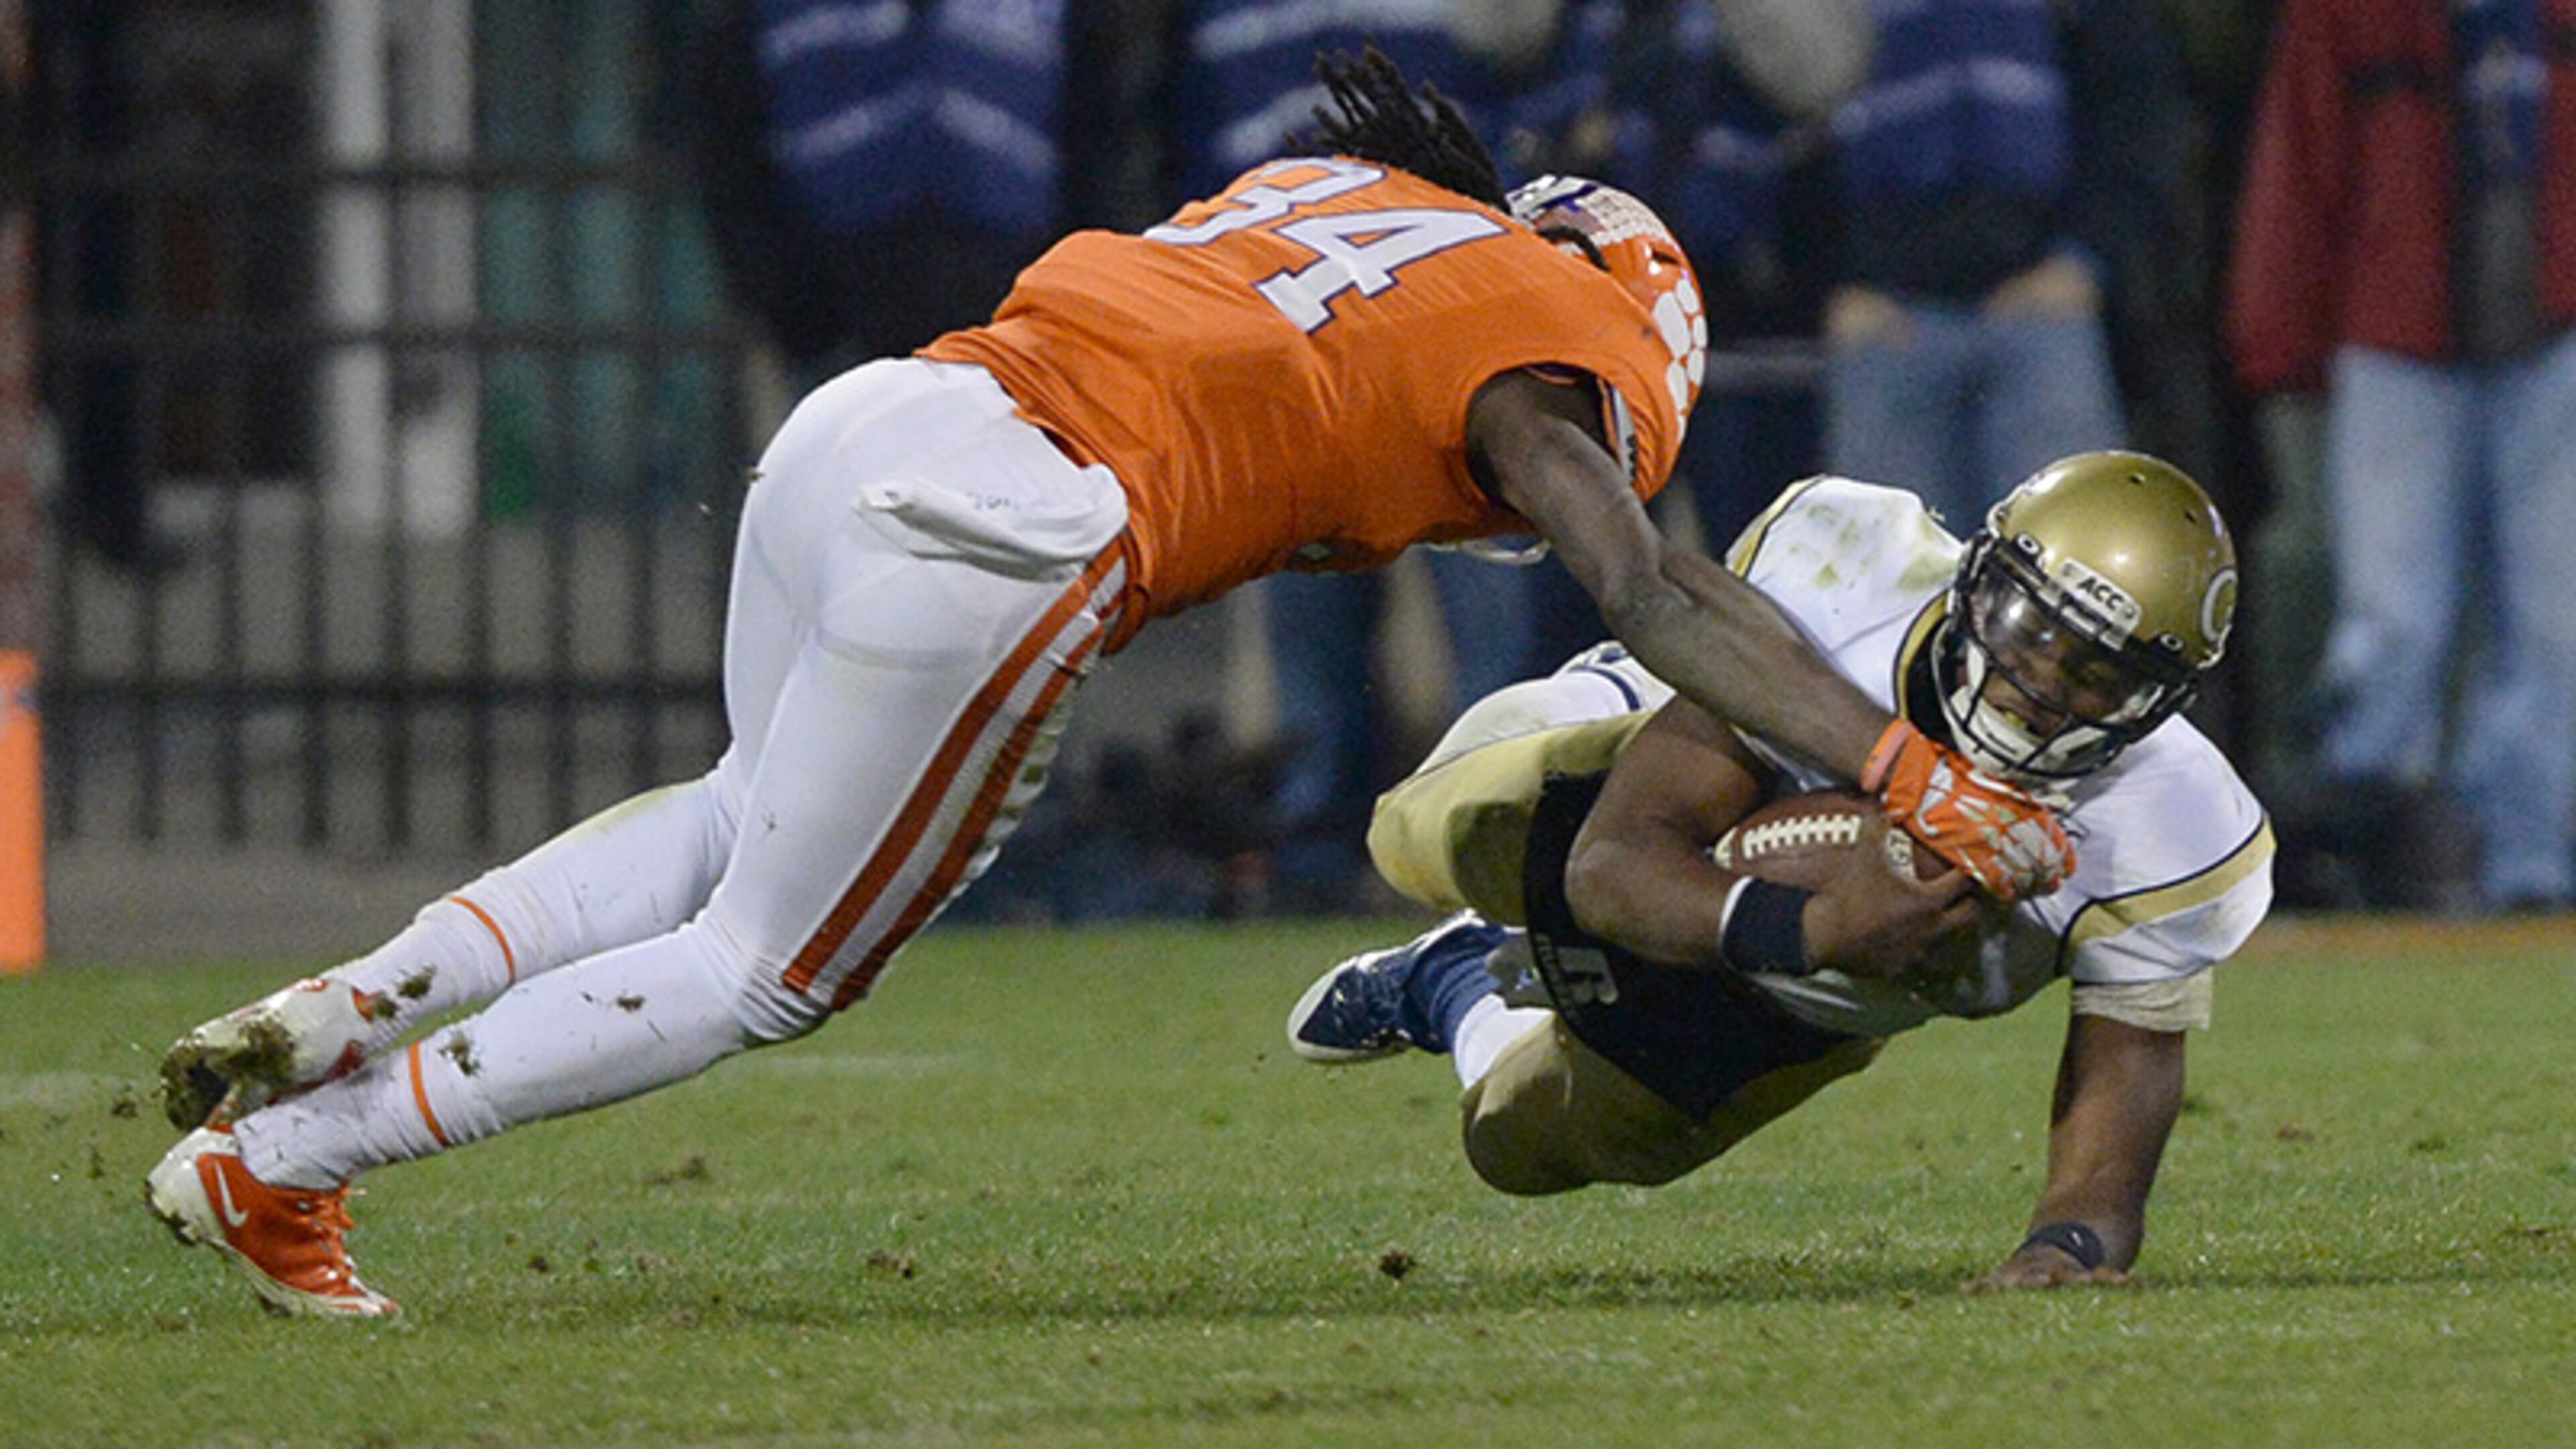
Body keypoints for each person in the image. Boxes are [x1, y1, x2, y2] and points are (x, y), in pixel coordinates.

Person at [140, 49, 2070, 1319]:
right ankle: (289, 1157)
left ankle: (344, 1003)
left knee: (740, 806)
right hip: (1017, 523)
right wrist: (1905, 763)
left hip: (885, 410)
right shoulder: (1551, 333)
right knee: (770, 966)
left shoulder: (1356, 200)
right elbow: (1648, 585)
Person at [1287, 451, 2271, 1289]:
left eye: (2100, 673)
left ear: (2157, 704)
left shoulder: (2171, 817)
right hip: (1647, 783)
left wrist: (2071, 1243)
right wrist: (1821, 924)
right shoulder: (1852, 577)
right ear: (1980, 577)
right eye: (2035, 630)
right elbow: (1616, 860)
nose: (2044, 683)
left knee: (1519, 1147)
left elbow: (2131, 1064)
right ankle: (1491, 923)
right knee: (1432, 834)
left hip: (1807, 1001)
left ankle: (1455, 980)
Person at [2225, 0, 2576, 914]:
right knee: (2392, 620)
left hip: (2555, 335)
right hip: (2395, 329)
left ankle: (2527, 864)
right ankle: (2365, 847)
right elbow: (2300, 160)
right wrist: (2279, 334)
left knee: (2555, 623)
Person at [1818, 0, 2185, 532]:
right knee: (1890, 589)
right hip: (1884, 319)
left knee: (2066, 571)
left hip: (2041, 307)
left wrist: (2084, 260)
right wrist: (1830, 284)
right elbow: (1774, 115)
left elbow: (2138, 98)